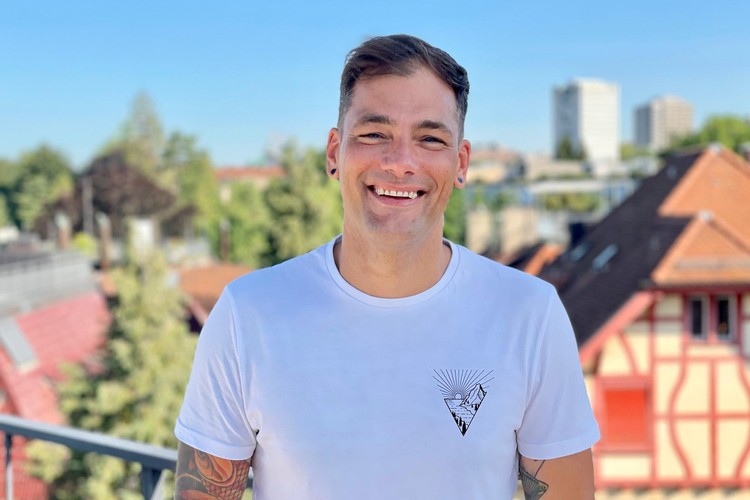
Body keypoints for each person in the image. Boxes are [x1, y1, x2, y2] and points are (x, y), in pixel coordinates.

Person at [174, 34, 599, 499]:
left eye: (430, 139)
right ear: (335, 152)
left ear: (461, 163)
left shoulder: (529, 314)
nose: (400, 162)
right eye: (374, 134)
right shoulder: (246, 315)